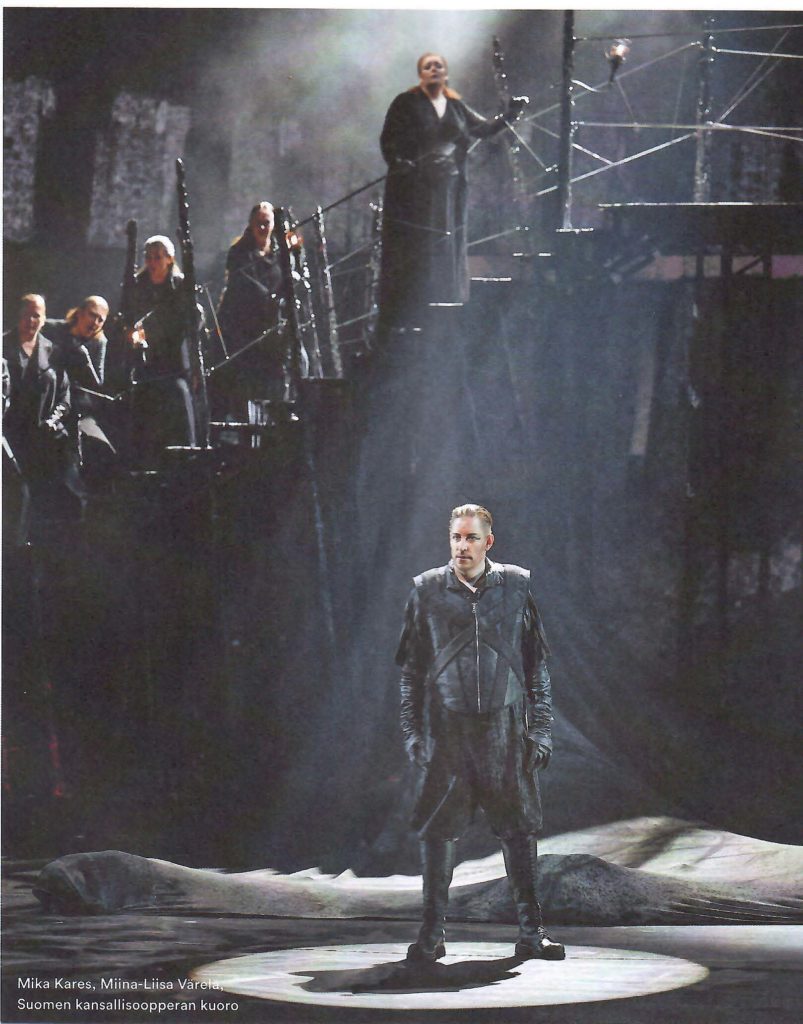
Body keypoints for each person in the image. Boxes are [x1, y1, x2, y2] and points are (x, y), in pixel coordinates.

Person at [396, 503, 564, 963]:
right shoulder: (427, 590)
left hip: (504, 732)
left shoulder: (516, 586)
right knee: (438, 833)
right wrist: (413, 733)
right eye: (456, 537)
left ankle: (532, 933)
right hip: (447, 733)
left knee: (519, 831)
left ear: (488, 541)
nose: (462, 546)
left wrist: (541, 731)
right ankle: (431, 934)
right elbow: (411, 673)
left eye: (471, 538)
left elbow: (536, 668)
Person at [378, 53, 526, 330]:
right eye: (429, 68)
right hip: (417, 191)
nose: (435, 72)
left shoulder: (456, 107)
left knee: (445, 244)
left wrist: (511, 115)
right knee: (420, 247)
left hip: (448, 189)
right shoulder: (405, 103)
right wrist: (400, 162)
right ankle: (412, 308)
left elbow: (484, 128)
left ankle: (444, 301)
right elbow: (389, 140)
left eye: (439, 68)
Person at [2, 294, 74, 532]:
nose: (31, 321)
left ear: (44, 319)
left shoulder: (53, 352)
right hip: (9, 438)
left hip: (42, 438)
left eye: (36, 315)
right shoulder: (3, 346)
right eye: (26, 314)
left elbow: (64, 397)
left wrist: (53, 421)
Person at [127, 235, 196, 464]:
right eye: (148, 257)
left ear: (169, 259)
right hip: (146, 362)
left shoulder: (180, 286)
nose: (152, 262)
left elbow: (191, 322)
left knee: (178, 404)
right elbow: (128, 317)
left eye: (157, 257)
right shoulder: (137, 286)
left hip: (174, 362)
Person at [214, 202, 286, 417]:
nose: (262, 228)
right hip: (245, 325)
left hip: (272, 324)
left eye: (266, 223)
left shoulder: (280, 254)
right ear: (251, 225)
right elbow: (241, 282)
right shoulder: (238, 252)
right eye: (258, 223)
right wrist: (267, 298)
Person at [46, 296, 116, 482]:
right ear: (79, 313)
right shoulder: (52, 328)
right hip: (47, 397)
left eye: (101, 320)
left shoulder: (99, 342)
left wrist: (84, 359)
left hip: (75, 405)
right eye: (92, 315)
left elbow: (97, 383)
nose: (95, 323)